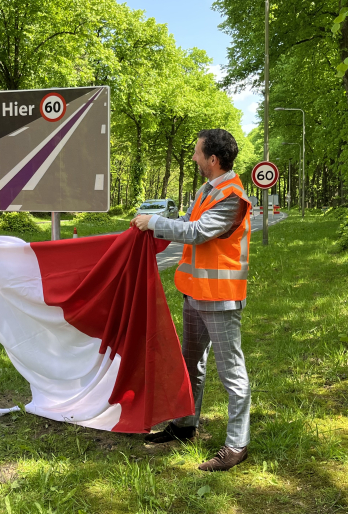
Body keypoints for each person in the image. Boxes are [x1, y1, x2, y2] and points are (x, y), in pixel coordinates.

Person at [131, 129, 252, 471]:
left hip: (221, 299)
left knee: (232, 372)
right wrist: (155, 227)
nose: (194, 158)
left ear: (213, 159)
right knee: (190, 364)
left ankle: (237, 444)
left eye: (198, 153)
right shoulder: (207, 189)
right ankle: (185, 425)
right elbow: (188, 221)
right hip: (195, 294)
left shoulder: (232, 195)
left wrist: (154, 221)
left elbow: (199, 232)